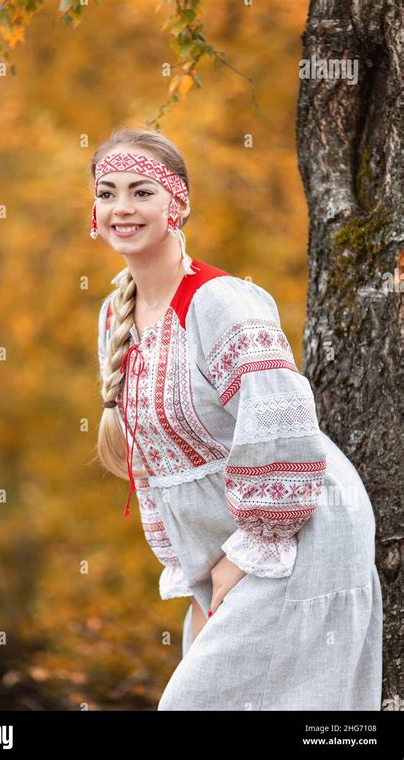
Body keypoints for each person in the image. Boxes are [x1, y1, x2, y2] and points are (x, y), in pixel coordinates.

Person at [93, 126, 383, 710]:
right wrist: (191, 570)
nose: (122, 207)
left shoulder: (220, 302)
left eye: (142, 191)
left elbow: (284, 429)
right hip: (222, 554)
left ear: (178, 204)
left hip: (296, 537)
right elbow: (156, 469)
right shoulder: (113, 314)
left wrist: (245, 555)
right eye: (107, 192)